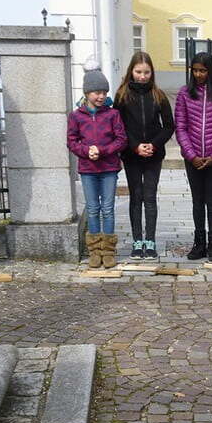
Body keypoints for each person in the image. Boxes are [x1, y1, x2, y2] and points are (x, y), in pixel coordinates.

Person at [67, 61, 128, 269]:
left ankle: (108, 251)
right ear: (87, 93)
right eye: (97, 92)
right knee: (93, 209)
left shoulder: (112, 114)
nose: (101, 96)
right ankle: (95, 251)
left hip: (109, 168)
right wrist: (87, 151)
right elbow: (72, 141)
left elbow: (121, 140)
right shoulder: (76, 116)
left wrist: (102, 150)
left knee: (108, 209)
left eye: (104, 92)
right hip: (88, 170)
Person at [114, 51, 174, 260]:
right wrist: (135, 146)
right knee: (136, 196)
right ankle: (137, 241)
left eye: (146, 72)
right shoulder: (122, 95)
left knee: (149, 196)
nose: (142, 76)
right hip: (131, 154)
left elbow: (169, 126)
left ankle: (150, 240)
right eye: (138, 72)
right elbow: (118, 126)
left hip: (153, 155)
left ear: (152, 73)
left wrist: (153, 145)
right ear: (131, 71)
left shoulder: (159, 95)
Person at [175, 52, 212, 262]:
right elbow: (180, 127)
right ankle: (199, 243)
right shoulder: (184, 94)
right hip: (192, 158)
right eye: (195, 70)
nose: (198, 74)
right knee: (197, 201)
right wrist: (191, 155)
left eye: (203, 70)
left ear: (211, 71)